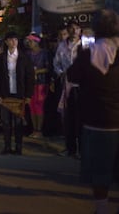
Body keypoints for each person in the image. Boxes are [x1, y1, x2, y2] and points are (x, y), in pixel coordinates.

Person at [67, 9, 119, 214]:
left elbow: (72, 76)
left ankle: (102, 208)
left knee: (99, 171)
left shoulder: (87, 54)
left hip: (96, 121)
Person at [0, 32, 35, 155]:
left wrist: (28, 95)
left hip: (19, 93)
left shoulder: (24, 57)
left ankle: (18, 146)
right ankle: (7, 146)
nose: (13, 42)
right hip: (5, 93)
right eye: (11, 40)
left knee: (18, 122)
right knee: (6, 122)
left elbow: (30, 77)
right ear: (6, 42)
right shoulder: (1, 58)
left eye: (15, 40)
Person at [54, 19, 83, 157]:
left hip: (82, 86)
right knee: (68, 118)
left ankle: (82, 149)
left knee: (81, 118)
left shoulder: (85, 45)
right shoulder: (62, 46)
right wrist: (61, 73)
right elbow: (56, 64)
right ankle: (70, 148)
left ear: (80, 30)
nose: (73, 31)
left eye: (76, 28)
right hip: (67, 86)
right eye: (71, 28)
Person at [25, 33, 50, 138]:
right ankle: (34, 129)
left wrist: (36, 72)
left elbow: (48, 68)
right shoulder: (28, 54)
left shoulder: (44, 53)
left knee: (39, 105)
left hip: (41, 82)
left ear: (36, 42)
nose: (29, 43)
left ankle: (39, 130)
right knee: (32, 106)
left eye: (31, 41)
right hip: (31, 83)